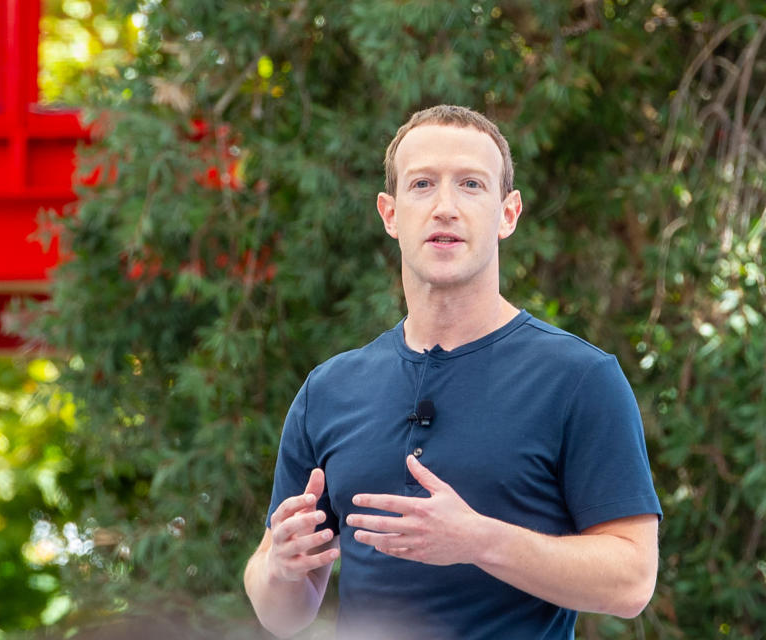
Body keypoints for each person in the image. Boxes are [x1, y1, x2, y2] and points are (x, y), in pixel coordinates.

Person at [243, 105, 662, 639]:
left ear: (507, 214)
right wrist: (279, 567)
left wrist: (477, 541)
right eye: (422, 184)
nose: (445, 207)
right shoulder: (328, 390)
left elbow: (631, 582)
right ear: (389, 213)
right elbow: (283, 612)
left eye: (470, 184)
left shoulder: (580, 379)